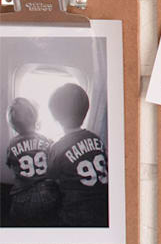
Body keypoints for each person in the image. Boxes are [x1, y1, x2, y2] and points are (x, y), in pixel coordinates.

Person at [47, 84, 108, 228]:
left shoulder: (57, 147)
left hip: (74, 216)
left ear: (55, 117)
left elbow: (51, 175)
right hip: (103, 211)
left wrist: (50, 151)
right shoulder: (97, 139)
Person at [3, 98, 58, 227]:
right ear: (35, 118)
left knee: (14, 219)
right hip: (48, 192)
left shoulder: (12, 144)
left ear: (13, 125)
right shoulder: (45, 140)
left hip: (22, 197)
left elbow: (10, 164)